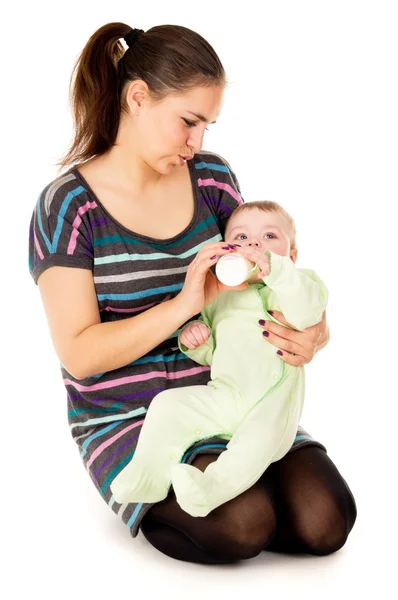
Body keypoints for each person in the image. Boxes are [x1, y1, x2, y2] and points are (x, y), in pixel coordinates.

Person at [28, 22, 357, 564]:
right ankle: (183, 483)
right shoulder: (68, 206)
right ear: (137, 98)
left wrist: (315, 332)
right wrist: (183, 306)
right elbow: (79, 353)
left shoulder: (211, 179)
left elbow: (266, 276)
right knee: (243, 525)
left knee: (327, 521)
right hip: (132, 415)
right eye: (188, 121)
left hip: (235, 392)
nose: (198, 142)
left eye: (207, 125)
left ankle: (244, 474)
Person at [110, 201, 329, 519]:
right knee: (168, 406)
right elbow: (215, 351)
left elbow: (307, 311)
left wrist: (278, 271)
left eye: (269, 236)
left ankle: (209, 490)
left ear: (292, 256)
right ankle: (148, 473)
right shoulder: (222, 295)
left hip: (272, 406)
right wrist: (196, 339)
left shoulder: (299, 283)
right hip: (225, 395)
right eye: (241, 238)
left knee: (252, 448)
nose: (254, 244)